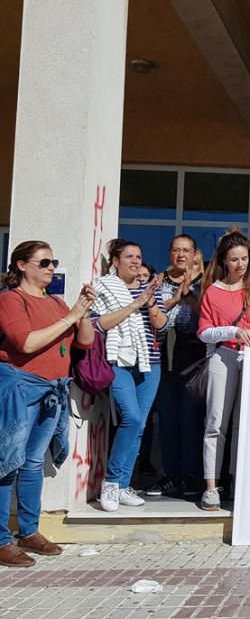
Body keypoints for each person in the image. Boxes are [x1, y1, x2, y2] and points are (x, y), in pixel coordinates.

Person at [0, 241, 96, 567]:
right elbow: (25, 343)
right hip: (20, 387)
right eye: (44, 262)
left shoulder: (55, 301)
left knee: (32, 462)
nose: (51, 267)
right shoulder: (11, 300)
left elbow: (85, 341)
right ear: (22, 265)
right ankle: (1, 539)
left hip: (51, 391)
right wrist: (70, 316)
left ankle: (29, 531)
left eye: (53, 261)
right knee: (7, 462)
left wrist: (81, 312)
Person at [92, 239, 168, 512]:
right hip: (118, 360)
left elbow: (161, 326)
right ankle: (111, 483)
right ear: (115, 261)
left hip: (150, 362)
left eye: (139, 256)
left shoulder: (150, 290)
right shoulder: (104, 288)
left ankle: (124, 485)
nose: (136, 261)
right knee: (131, 417)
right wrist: (136, 303)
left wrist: (150, 303)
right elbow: (98, 325)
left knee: (140, 425)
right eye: (129, 257)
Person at [197, 229, 250, 511]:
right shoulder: (213, 292)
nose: (240, 264)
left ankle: (240, 483)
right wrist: (233, 331)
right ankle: (211, 487)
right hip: (223, 354)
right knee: (216, 424)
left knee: (244, 425)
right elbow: (203, 332)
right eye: (234, 259)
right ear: (224, 261)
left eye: (245, 259)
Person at [147, 234, 204, 498]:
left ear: (195, 254)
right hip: (163, 352)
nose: (181, 255)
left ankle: (192, 476)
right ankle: (170, 475)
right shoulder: (157, 282)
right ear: (169, 254)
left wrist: (189, 292)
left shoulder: (206, 282)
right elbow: (153, 313)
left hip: (194, 353)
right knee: (167, 418)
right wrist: (174, 297)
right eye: (176, 250)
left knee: (191, 418)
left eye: (187, 250)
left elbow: (206, 314)